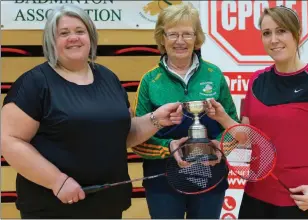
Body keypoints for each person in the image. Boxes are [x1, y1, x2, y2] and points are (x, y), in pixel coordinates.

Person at [1, 4, 183, 219]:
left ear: (91, 37)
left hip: (107, 205)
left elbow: (121, 135)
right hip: (52, 206)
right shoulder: (34, 83)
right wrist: (57, 181)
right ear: (51, 41)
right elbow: (9, 140)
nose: (73, 38)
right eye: (64, 33)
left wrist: (156, 119)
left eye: (80, 31)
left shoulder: (108, 78)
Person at [208, 6, 308, 219]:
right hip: (255, 198)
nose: (273, 39)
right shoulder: (257, 80)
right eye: (267, 33)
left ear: (296, 34)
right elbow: (246, 137)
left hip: (302, 199)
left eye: (281, 31)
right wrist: (222, 117)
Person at [131, 3, 239, 219]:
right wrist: (168, 147)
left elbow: (233, 126)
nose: (180, 41)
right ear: (162, 38)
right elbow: (137, 139)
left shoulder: (214, 74)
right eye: (173, 34)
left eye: (187, 34)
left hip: (210, 175)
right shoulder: (150, 81)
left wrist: (220, 147)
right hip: (162, 179)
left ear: (196, 37)